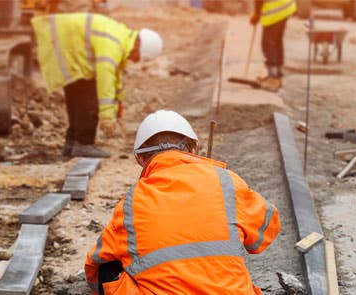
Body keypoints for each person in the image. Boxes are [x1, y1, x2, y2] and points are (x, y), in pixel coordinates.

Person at [84, 110, 281, 294]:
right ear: (194, 148)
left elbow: (95, 264)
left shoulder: (130, 204)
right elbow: (264, 233)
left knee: (109, 267)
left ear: (141, 160)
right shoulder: (227, 182)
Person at [30, 13, 162, 158]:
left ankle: (72, 143)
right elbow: (105, 79)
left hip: (65, 44)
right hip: (64, 44)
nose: (136, 61)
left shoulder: (120, 38)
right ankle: (83, 144)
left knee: (77, 94)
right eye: (140, 57)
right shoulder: (113, 44)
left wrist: (117, 103)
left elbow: (115, 77)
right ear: (138, 45)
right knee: (89, 96)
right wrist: (107, 116)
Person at [249, 0, 296, 92]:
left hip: (275, 9)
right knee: (277, 40)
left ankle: (273, 78)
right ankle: (278, 74)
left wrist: (257, 14)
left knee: (268, 43)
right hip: (285, 6)